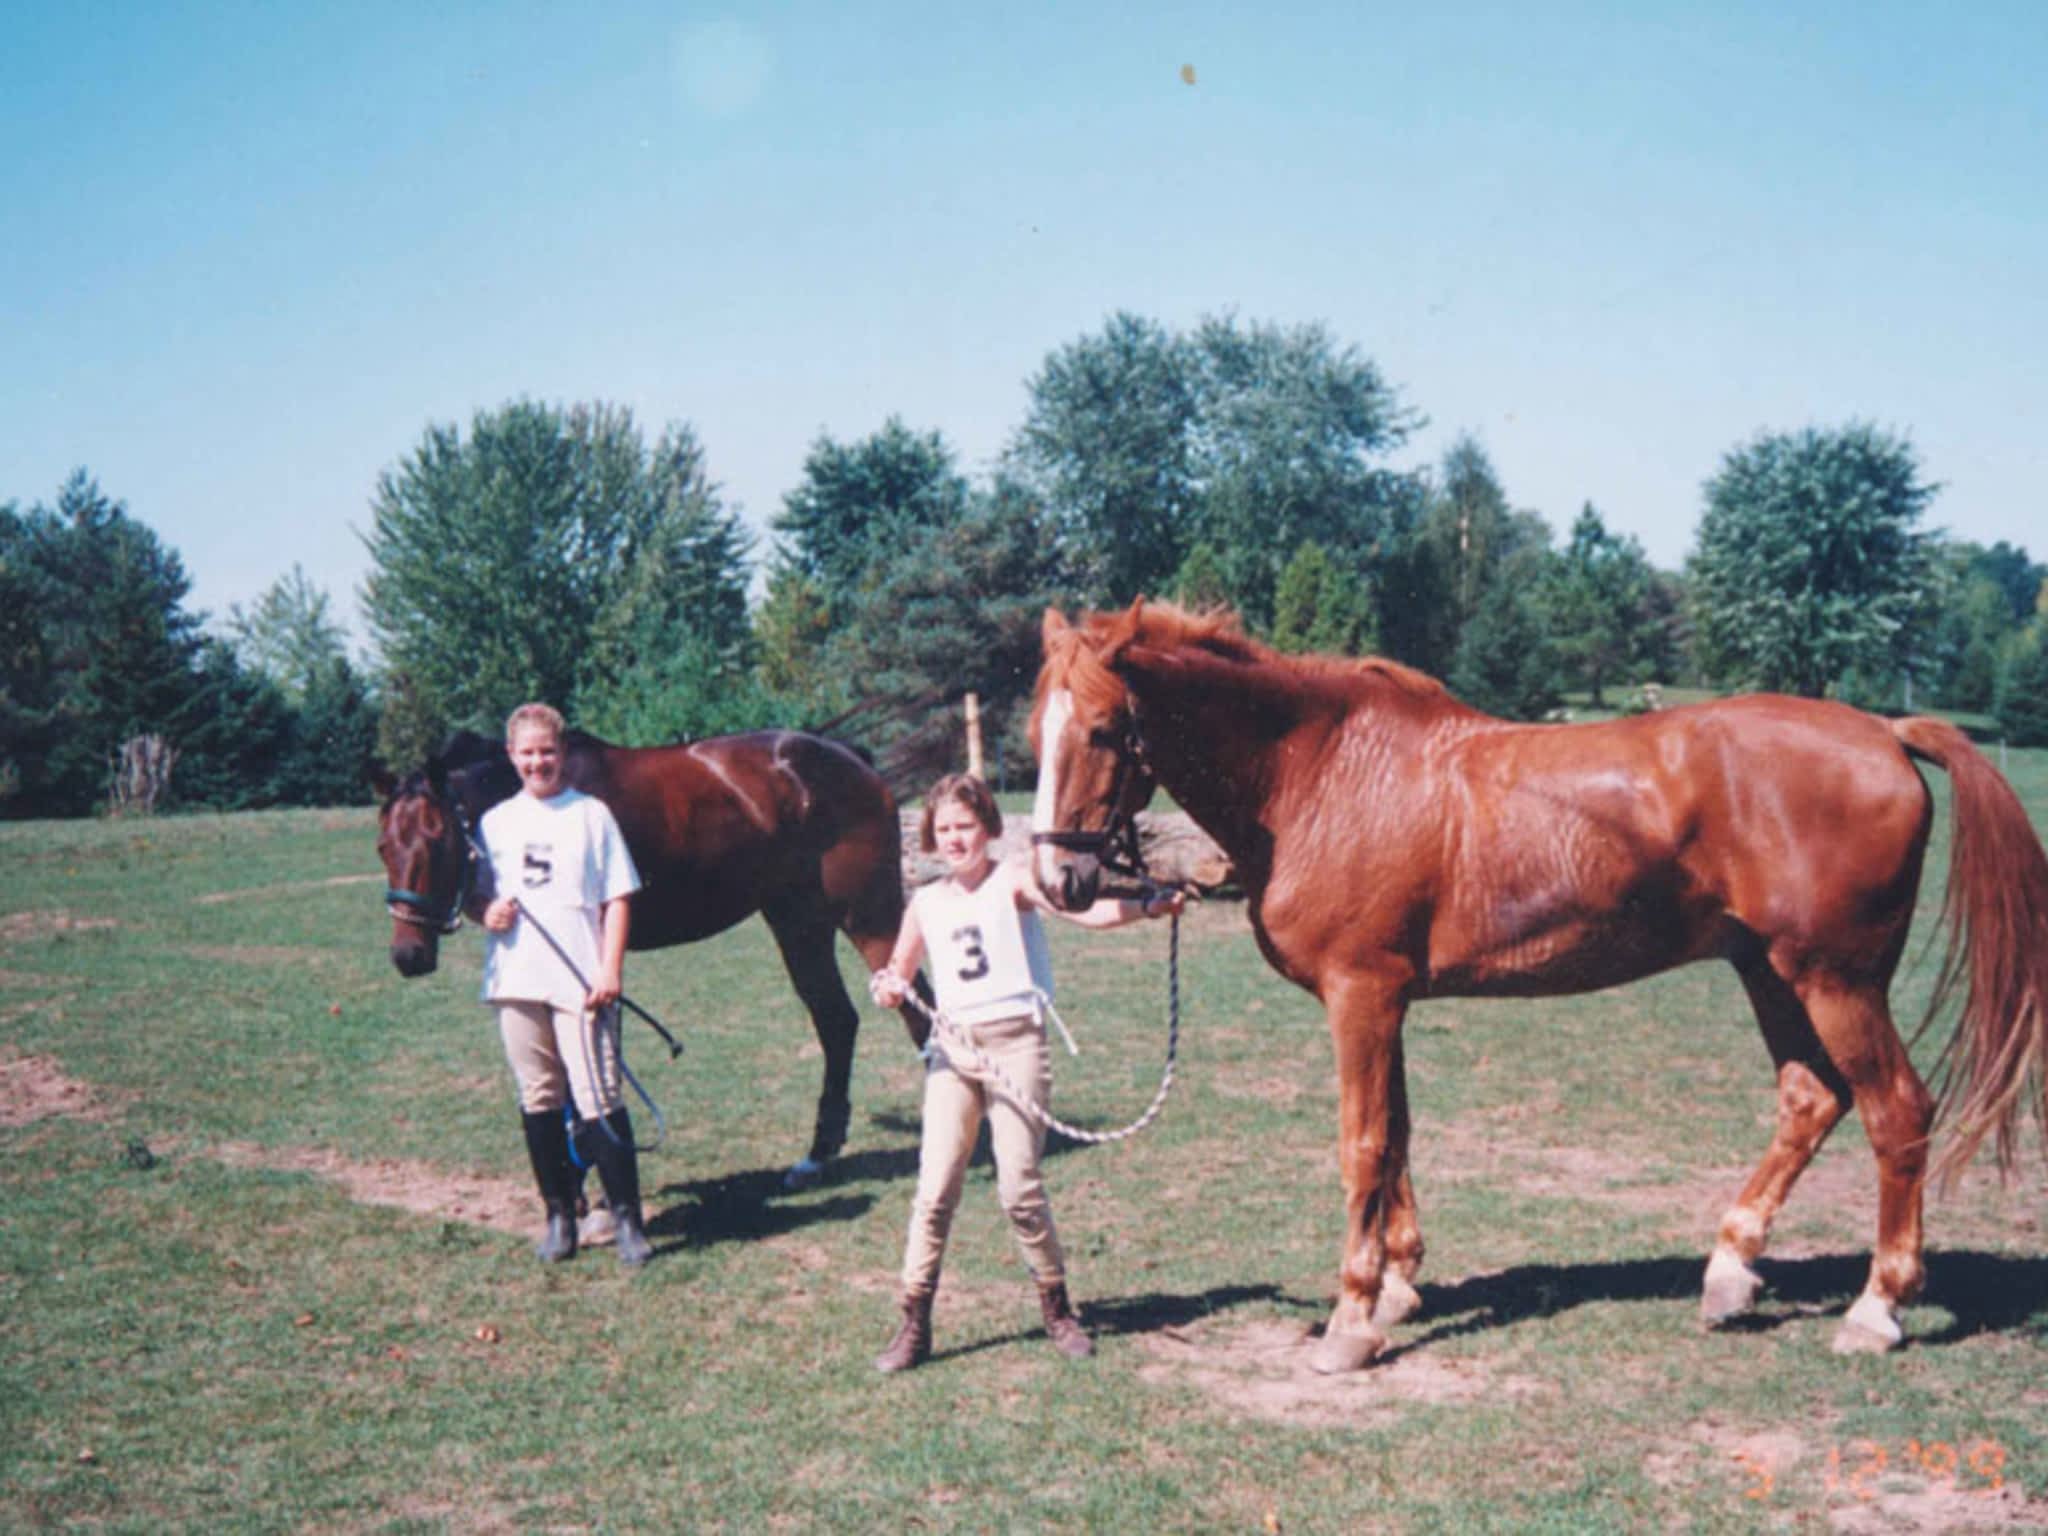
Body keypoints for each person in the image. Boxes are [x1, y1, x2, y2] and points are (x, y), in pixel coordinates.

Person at [868, 772, 1184, 1371]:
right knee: (935, 1191)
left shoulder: (1013, 880)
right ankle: (913, 1322)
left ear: (987, 827)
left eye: (965, 826)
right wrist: (886, 986)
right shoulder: (927, 902)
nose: (956, 838)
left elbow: (1080, 910)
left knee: (1019, 1187)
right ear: (932, 839)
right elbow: (898, 972)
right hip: (953, 1055)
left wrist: (1145, 907)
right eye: (944, 829)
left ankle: (1057, 1306)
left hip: (1016, 1046)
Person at [478, 703, 653, 1268]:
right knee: (539, 1099)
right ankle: (560, 1216)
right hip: (516, 978)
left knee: (600, 1096)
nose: (538, 762)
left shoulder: (591, 814)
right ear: (511, 756)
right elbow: (478, 895)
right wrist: (488, 913)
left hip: (582, 982)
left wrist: (611, 969)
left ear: (564, 754)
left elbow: (618, 897)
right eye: (527, 753)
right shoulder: (495, 822)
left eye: (547, 751)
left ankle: (627, 1218)